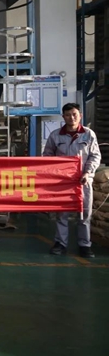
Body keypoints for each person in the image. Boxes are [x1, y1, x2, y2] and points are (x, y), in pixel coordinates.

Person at [43, 103, 102, 258]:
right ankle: (60, 244)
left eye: (74, 114)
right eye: (68, 115)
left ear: (80, 115)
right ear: (63, 117)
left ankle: (85, 245)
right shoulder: (55, 135)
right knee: (61, 214)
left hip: (83, 180)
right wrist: (56, 173)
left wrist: (88, 172)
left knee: (84, 213)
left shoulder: (88, 134)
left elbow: (95, 156)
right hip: (62, 182)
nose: (72, 117)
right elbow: (47, 156)